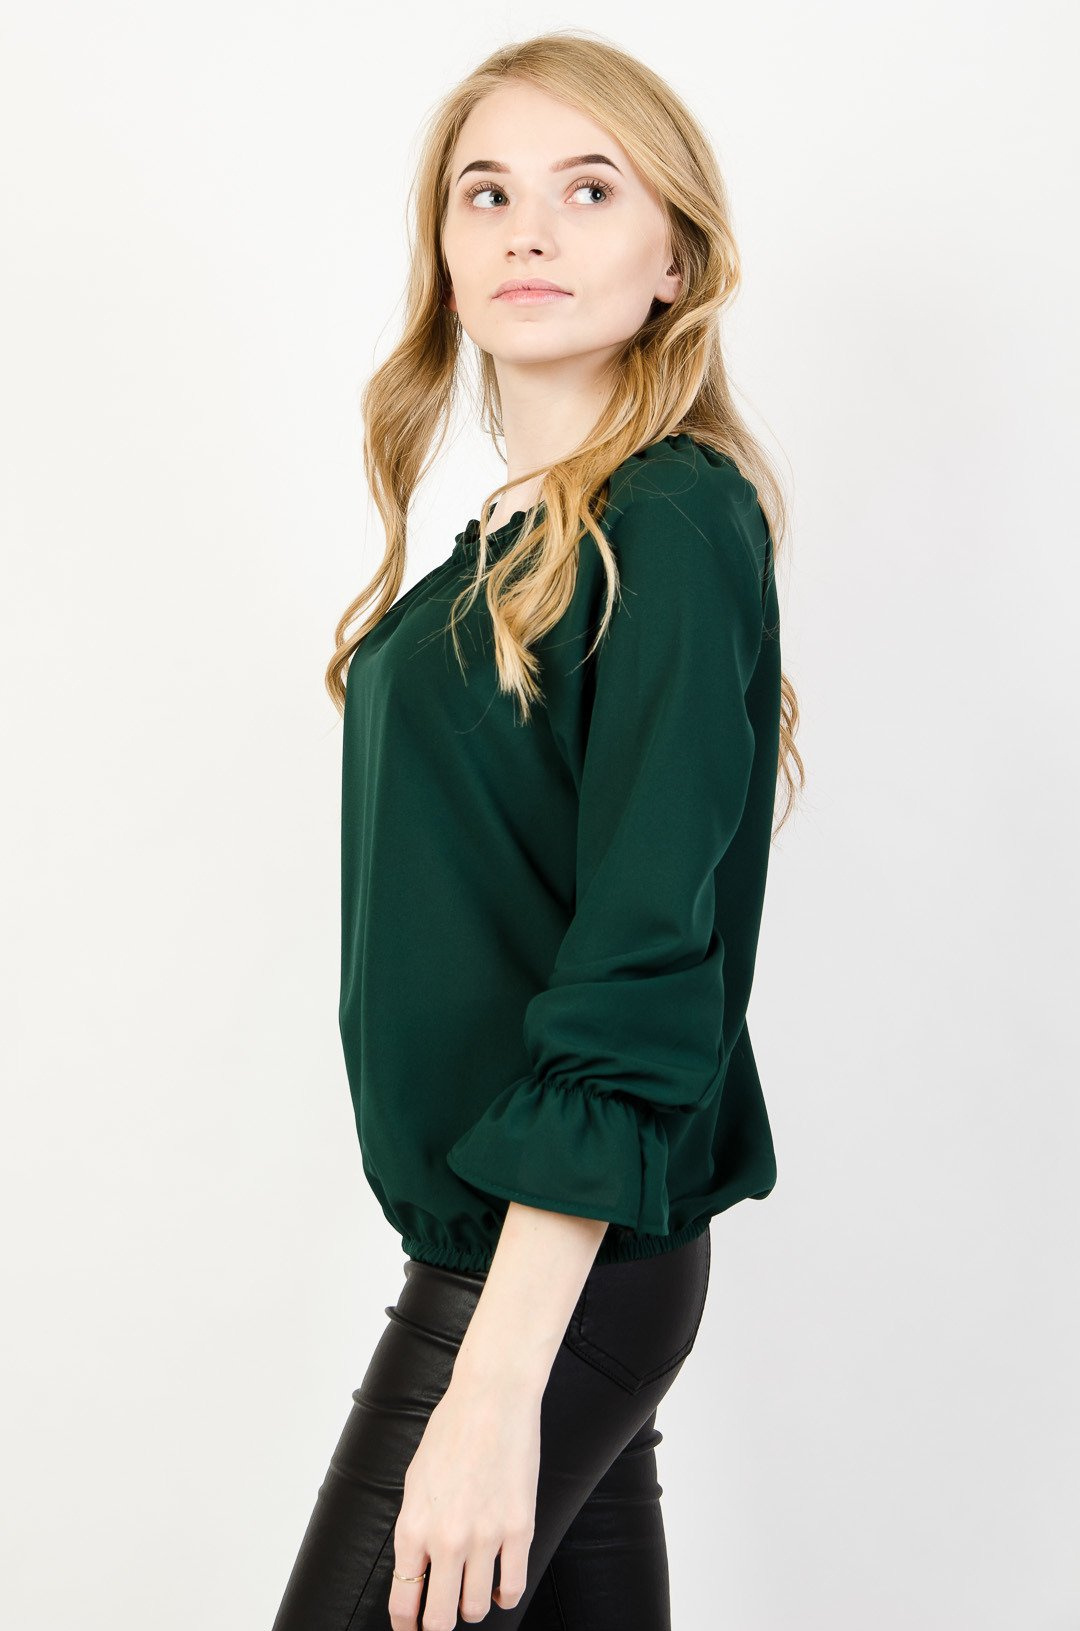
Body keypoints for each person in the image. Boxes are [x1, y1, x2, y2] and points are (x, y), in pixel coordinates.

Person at [271, 29, 803, 1631]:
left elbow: (646, 957)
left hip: (545, 1270)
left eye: (590, 189)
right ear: (443, 252)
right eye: (485, 193)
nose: (528, 230)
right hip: (531, 1262)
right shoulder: (508, 542)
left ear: (673, 258)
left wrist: (494, 1384)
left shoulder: (673, 519)